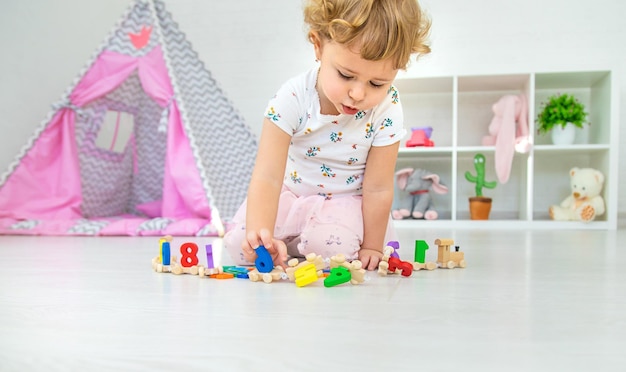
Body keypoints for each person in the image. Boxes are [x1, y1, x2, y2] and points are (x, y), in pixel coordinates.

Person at [224, 0, 431, 271]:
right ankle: (287, 243)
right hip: (292, 198)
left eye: (377, 83)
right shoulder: (293, 97)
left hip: (345, 205)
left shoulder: (387, 108)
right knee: (240, 245)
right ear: (318, 47)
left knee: (332, 252)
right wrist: (259, 234)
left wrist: (371, 245)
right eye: (346, 75)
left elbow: (378, 188)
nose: (358, 94)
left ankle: (301, 244)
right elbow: (268, 176)